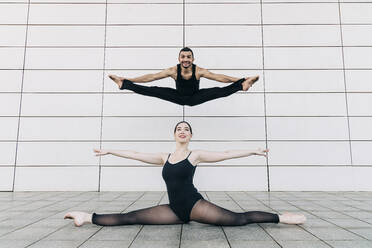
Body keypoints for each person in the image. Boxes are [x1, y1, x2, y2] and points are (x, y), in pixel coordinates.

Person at [64, 121, 306, 227]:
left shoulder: (195, 155)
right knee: (131, 217)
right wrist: (110, 151)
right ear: (174, 135)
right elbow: (136, 154)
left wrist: (252, 151)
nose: (182, 131)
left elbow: (226, 153)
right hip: (173, 210)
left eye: (186, 129)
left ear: (190, 136)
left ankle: (281, 218)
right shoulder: (164, 157)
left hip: (194, 205)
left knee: (238, 220)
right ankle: (85, 217)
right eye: (179, 129)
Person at [108, 47, 259, 106]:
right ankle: (124, 85)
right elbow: (152, 77)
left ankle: (242, 85)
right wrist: (129, 79)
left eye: (188, 57)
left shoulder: (198, 70)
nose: (185, 59)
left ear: (193, 59)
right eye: (183, 57)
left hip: (195, 97)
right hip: (178, 96)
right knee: (153, 90)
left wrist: (240, 79)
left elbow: (219, 77)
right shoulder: (173, 70)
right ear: (179, 59)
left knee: (218, 91)